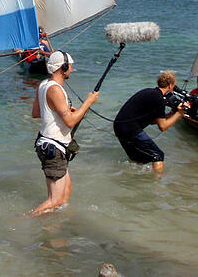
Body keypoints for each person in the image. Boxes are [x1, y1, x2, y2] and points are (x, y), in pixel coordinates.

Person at [30, 50, 98, 216]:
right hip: (53, 148)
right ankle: (22, 223)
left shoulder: (44, 85)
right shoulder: (55, 89)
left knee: (67, 189)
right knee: (55, 200)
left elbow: (37, 113)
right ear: (64, 67)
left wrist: (64, 109)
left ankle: (56, 224)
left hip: (52, 144)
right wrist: (88, 102)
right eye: (70, 67)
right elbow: (70, 122)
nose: (71, 70)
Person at [112, 70, 187, 175]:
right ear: (170, 85)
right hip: (130, 128)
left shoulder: (150, 92)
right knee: (158, 155)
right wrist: (179, 114)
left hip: (119, 126)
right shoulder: (159, 98)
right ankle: (157, 185)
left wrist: (171, 114)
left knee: (141, 158)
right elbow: (163, 126)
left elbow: (152, 121)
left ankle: (136, 181)